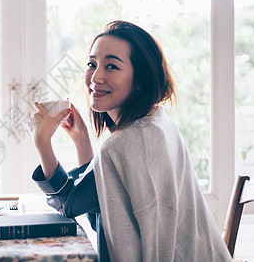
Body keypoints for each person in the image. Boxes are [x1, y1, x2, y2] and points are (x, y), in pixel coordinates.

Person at [27, 20, 232, 261]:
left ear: (139, 81)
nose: (96, 77)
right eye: (92, 64)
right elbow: (100, 210)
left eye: (111, 66)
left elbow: (68, 205)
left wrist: (42, 143)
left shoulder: (124, 144)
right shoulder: (159, 125)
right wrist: (82, 141)